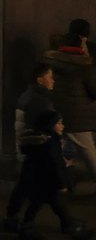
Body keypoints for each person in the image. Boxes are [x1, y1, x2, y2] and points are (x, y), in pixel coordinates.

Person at [9, 111, 91, 239]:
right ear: (51, 125)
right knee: (41, 203)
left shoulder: (40, 141)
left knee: (50, 203)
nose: (62, 126)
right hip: (47, 181)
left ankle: (66, 223)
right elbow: (55, 164)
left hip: (40, 180)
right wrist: (62, 183)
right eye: (59, 123)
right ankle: (30, 226)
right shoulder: (50, 142)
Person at [45, 20, 96, 185]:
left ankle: (61, 181)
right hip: (78, 116)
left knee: (60, 148)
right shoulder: (83, 64)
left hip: (55, 112)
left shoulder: (50, 60)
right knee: (90, 154)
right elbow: (93, 90)